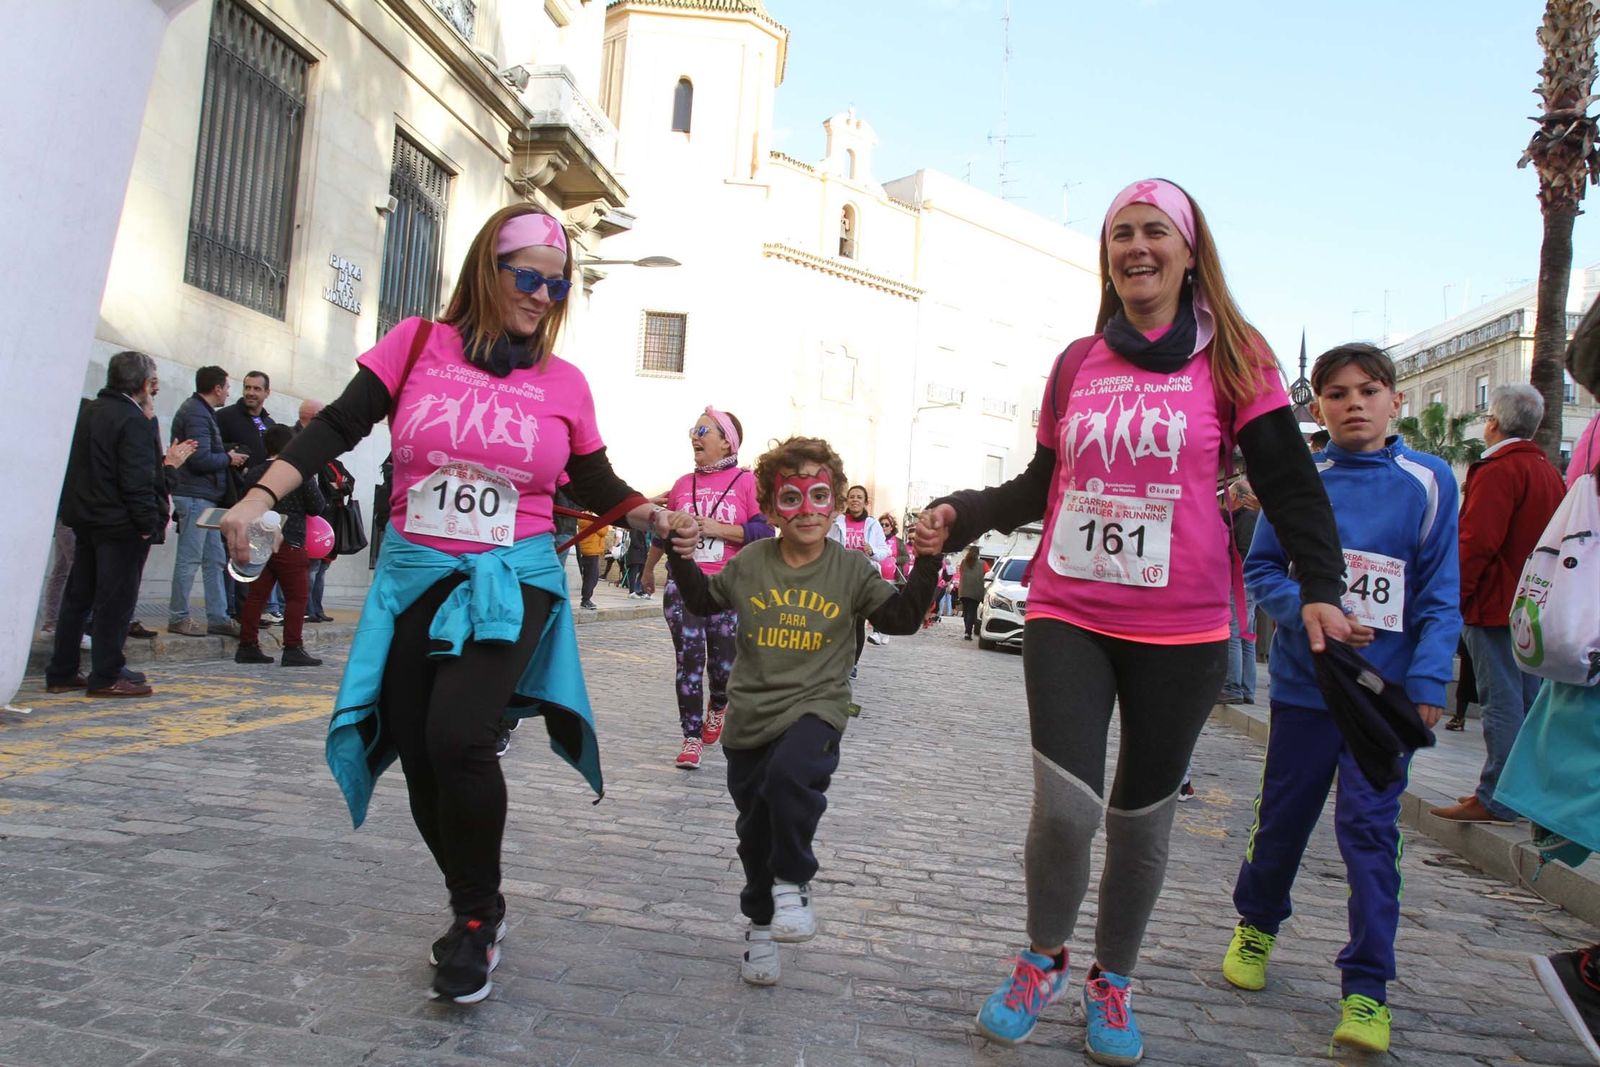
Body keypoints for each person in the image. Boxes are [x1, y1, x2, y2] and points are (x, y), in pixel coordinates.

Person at [913, 178, 1348, 1064]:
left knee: (1142, 821)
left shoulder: (1236, 355)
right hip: (1070, 610)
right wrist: (965, 508)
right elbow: (1038, 485)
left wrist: (1321, 582)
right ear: (1106, 254)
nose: (1136, 247)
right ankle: (1041, 958)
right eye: (1121, 234)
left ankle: (1114, 978)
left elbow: (1290, 479)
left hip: (1184, 628)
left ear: (1190, 252)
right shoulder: (1078, 362)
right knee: (1065, 812)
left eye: (1156, 232)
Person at [219, 205, 669, 1005]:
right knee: (420, 750)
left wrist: (650, 514)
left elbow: (595, 481)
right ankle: (478, 903)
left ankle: (473, 921)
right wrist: (257, 498)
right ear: (487, 270)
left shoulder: (564, 382)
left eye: (555, 283)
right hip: (416, 573)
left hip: (514, 578)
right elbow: (337, 430)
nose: (541, 295)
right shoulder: (418, 342)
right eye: (526, 275)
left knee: (459, 735)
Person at [1220, 343, 1461, 1053]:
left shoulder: (1430, 480)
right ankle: (1256, 925)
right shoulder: (1300, 476)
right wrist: (1308, 611)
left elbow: (1440, 591)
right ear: (1316, 406)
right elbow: (1262, 570)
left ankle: (1366, 989)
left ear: (1395, 400)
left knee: (1369, 834)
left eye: (1368, 389)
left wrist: (1426, 681)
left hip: (1383, 700)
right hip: (1304, 687)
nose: (1354, 402)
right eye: (1336, 392)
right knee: (1283, 820)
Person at [661, 436, 940, 986]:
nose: (808, 511)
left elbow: (901, 619)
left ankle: (794, 880)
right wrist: (679, 554)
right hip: (749, 717)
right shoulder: (751, 563)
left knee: (792, 778)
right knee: (754, 833)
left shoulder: (852, 569)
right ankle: (761, 929)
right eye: (792, 498)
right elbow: (701, 600)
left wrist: (928, 560)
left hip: (818, 707)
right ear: (770, 507)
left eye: (819, 496)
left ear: (836, 502)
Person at [1429, 384, 1565, 824]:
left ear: (1493, 422)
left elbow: (1477, 541)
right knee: (1526, 704)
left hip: (1494, 605)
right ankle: (1521, 794)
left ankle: (1496, 796)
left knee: (1501, 701)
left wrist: (1455, 595)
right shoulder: (1547, 471)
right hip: (1535, 606)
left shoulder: (1498, 469)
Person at [45, 352, 180, 697]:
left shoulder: (90, 411)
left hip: (88, 519)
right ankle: (105, 675)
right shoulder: (131, 419)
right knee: (114, 601)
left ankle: (62, 669)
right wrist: (146, 523)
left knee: (79, 597)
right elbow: (137, 477)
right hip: (121, 524)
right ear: (143, 383)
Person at [642, 407, 771, 769]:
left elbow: (765, 531)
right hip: (684, 585)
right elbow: (663, 532)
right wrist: (650, 569)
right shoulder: (683, 484)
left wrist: (720, 529)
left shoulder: (748, 482)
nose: (694, 436)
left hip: (729, 586)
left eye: (703, 430)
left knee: (724, 666)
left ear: (727, 440)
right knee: (689, 660)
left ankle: (719, 703)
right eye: (693, 430)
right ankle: (691, 736)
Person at [233, 424, 326, 667]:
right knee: (297, 597)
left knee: (257, 596)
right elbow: (317, 505)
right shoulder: (296, 473)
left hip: (260, 541)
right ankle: (293, 647)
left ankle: (247, 645)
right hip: (290, 540)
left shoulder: (254, 472)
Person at [168, 366, 247, 637]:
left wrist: (224, 452)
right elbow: (198, 458)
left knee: (214, 558)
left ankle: (218, 616)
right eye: (227, 387)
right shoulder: (197, 414)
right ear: (216, 389)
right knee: (189, 558)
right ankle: (178, 616)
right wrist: (229, 459)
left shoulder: (202, 413)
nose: (228, 392)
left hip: (206, 497)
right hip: (194, 495)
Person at [827, 486, 889, 676]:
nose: (855, 500)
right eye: (852, 497)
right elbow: (826, 543)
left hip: (862, 577)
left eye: (859, 497)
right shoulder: (837, 522)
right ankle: (832, 660)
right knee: (835, 619)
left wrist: (873, 552)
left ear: (865, 502)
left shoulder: (872, 524)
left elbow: (885, 550)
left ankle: (852, 664)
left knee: (857, 622)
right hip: (840, 576)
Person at [1220, 467, 1261, 704]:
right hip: (1250, 582)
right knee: (1246, 635)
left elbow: (1242, 553)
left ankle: (1233, 687)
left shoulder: (1245, 519)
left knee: (1234, 633)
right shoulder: (1254, 518)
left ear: (1236, 498)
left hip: (1241, 581)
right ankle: (1247, 689)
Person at [574, 521, 607, 610]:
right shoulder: (592, 521)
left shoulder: (584, 520)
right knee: (592, 576)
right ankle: (586, 600)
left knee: (589, 576)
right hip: (591, 550)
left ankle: (586, 599)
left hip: (588, 549)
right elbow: (603, 531)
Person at [957, 545, 985, 641]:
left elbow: (960, 573)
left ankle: (967, 631)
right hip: (976, 591)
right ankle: (968, 632)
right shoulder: (983, 563)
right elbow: (989, 574)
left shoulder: (963, 562)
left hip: (964, 590)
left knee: (966, 611)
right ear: (978, 554)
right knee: (972, 612)